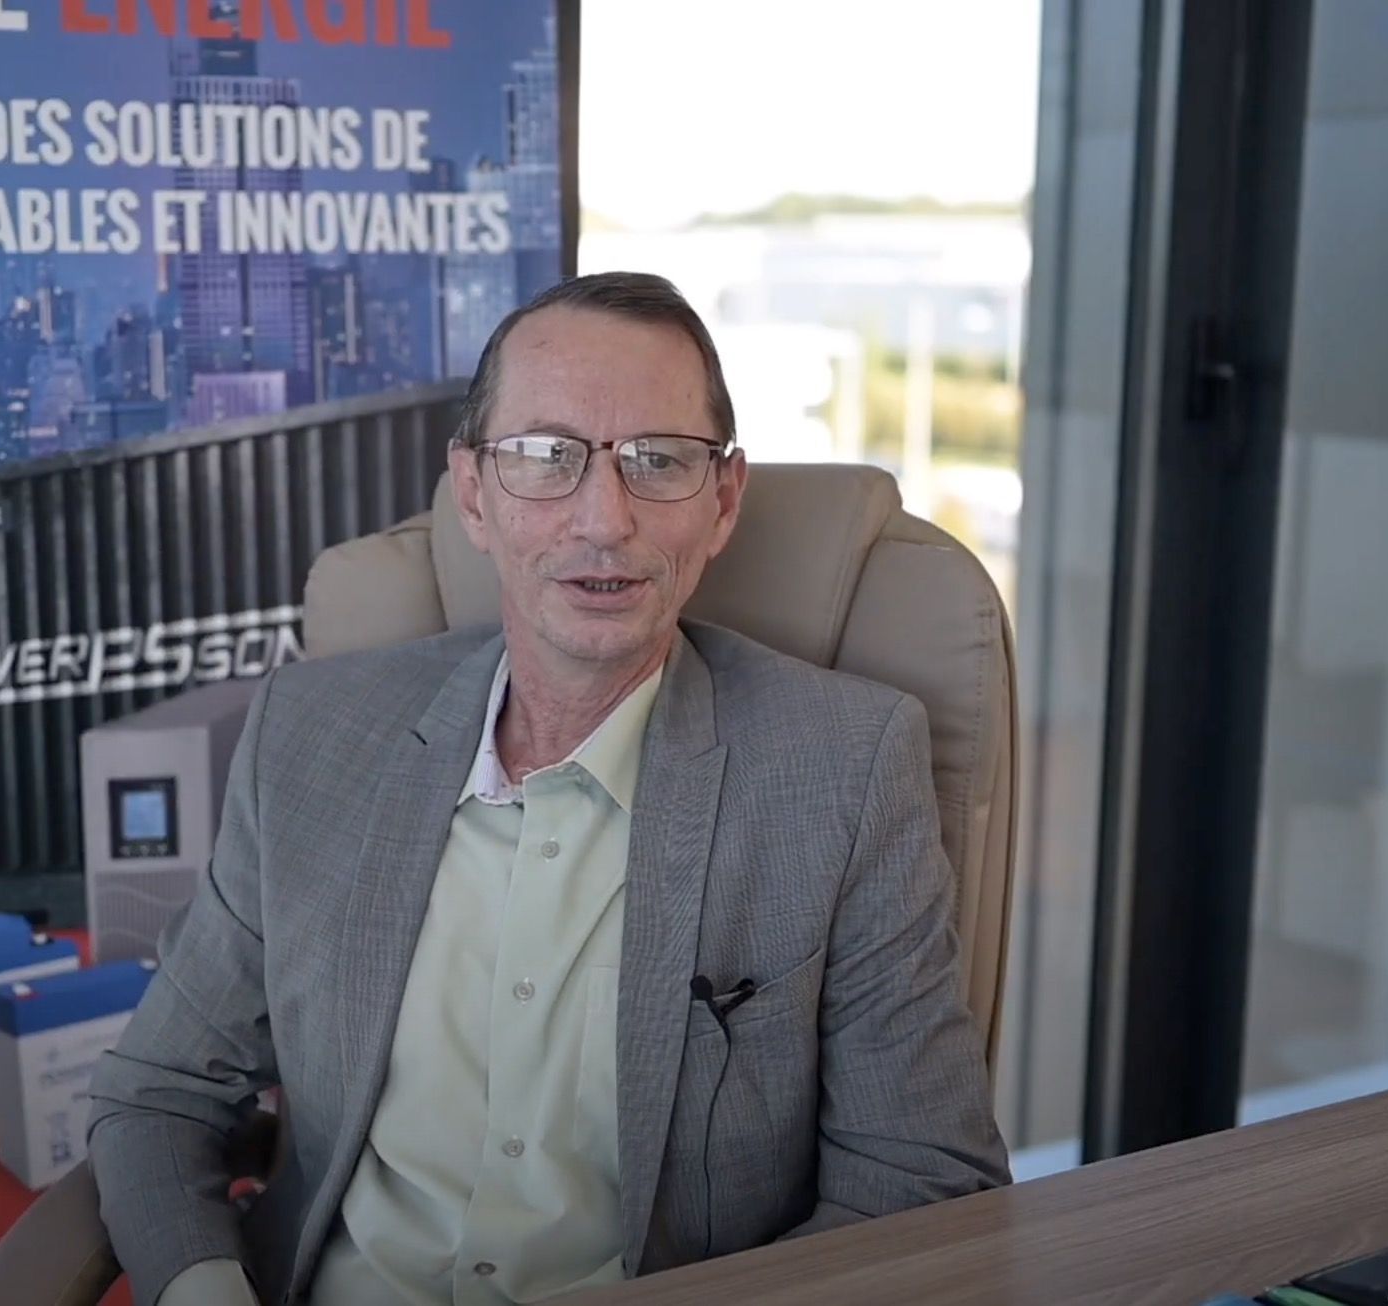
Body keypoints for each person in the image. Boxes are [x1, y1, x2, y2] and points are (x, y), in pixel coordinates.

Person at [86, 271, 1009, 1306]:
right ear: (473, 493)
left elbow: (919, 1180)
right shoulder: (308, 736)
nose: (603, 520)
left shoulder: (843, 768)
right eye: (544, 457)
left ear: (722, 502)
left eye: (658, 461)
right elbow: (158, 1093)